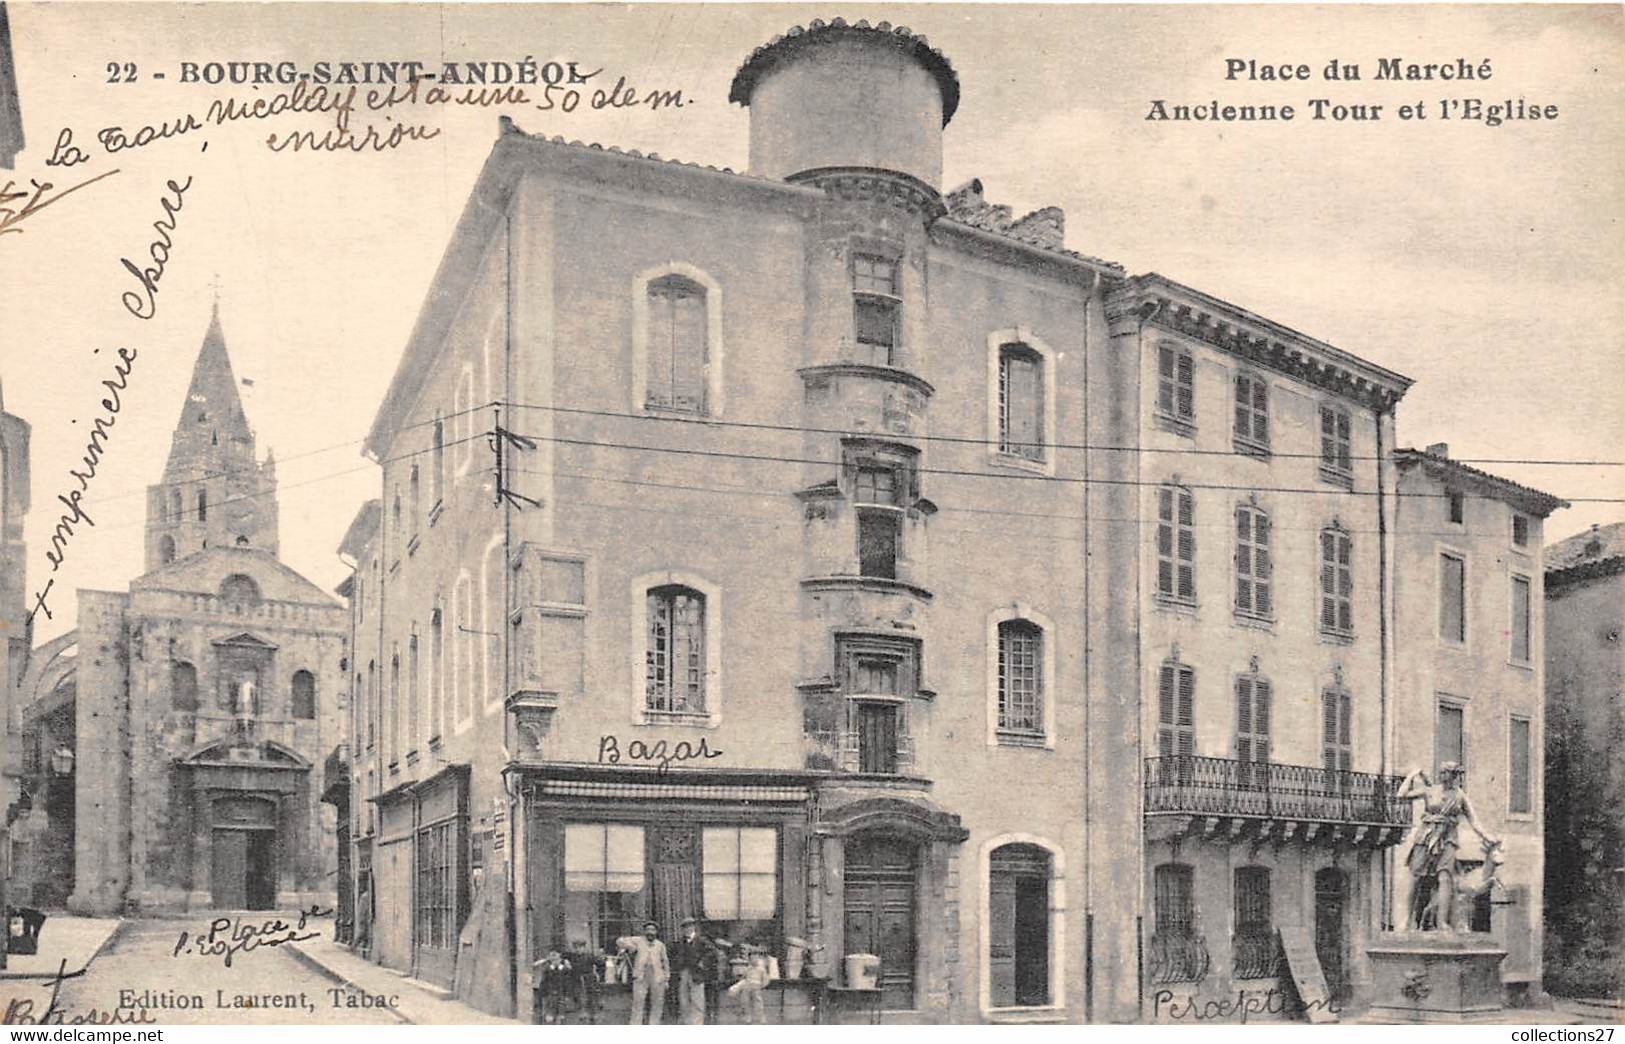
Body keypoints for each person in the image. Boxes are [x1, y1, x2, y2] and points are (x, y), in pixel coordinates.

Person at [1397, 762, 1500, 931]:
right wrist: (1411, 775)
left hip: (1448, 837)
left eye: (1446, 772)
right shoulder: (1430, 790)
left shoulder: (1460, 796)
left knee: (1445, 878)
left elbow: (1474, 820)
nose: (1442, 775)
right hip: (1426, 835)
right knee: (1415, 876)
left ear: (1454, 775)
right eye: (1441, 772)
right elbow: (1401, 795)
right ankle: (1407, 919)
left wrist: (1486, 836)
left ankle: (1442, 922)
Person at [616, 920, 670, 1024]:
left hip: (657, 976)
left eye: (653, 930)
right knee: (638, 1003)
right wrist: (630, 946)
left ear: (656, 932)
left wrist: (666, 978)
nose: (650, 932)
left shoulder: (660, 945)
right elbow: (619, 941)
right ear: (644, 931)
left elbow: (665, 962)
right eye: (648, 930)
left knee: (657, 1003)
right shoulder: (638, 940)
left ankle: (654, 1024)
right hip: (641, 975)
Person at [668, 917, 717, 1025]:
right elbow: (674, 956)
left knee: (697, 1002)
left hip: (697, 974)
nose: (687, 929)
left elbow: (712, 952)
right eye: (685, 927)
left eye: (690, 926)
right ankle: (687, 1024)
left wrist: (702, 962)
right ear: (682, 929)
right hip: (683, 973)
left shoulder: (702, 940)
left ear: (694, 927)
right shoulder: (680, 942)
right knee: (684, 1001)